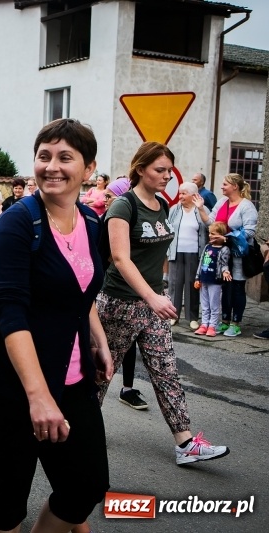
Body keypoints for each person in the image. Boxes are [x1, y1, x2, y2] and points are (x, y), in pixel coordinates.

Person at [0, 119, 112, 533]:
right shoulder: (17, 224)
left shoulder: (91, 223)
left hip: (73, 378)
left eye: (65, 157)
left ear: (88, 169)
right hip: (13, 384)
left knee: (86, 486)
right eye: (44, 156)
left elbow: (80, 290)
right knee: (10, 493)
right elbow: (10, 311)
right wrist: (38, 397)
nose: (52, 166)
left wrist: (99, 340)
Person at [97, 141, 230, 466]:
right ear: (141, 169)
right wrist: (151, 295)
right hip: (119, 303)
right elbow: (120, 258)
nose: (167, 176)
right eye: (160, 170)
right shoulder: (124, 206)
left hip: (153, 304)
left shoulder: (160, 205)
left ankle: (185, 443)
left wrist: (161, 291)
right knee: (101, 374)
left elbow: (159, 254)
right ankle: (74, 431)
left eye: (170, 170)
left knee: (166, 371)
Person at [101, 176, 147, 410]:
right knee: (104, 345)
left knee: (129, 343)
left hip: (136, 290)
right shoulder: (104, 219)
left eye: (109, 196)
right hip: (108, 289)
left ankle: (127, 389)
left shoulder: (131, 218)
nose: (104, 199)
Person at [210, 173, 258, 337]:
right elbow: (211, 221)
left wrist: (226, 238)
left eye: (225, 184)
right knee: (225, 286)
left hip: (238, 254)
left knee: (237, 286)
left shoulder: (246, 206)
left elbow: (250, 231)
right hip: (223, 252)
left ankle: (235, 323)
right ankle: (224, 321)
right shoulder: (222, 202)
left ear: (235, 186)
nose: (222, 187)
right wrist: (200, 208)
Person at [166, 182, 211, 330]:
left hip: (195, 253)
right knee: (174, 285)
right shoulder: (174, 209)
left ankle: (193, 317)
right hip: (176, 252)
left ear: (193, 195)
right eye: (180, 193)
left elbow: (210, 226)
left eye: (184, 193)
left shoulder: (202, 209)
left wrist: (201, 209)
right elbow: (167, 227)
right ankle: (173, 315)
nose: (180, 196)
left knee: (193, 285)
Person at [193, 222, 231, 336]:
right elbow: (201, 263)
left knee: (214, 305)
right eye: (209, 233)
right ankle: (204, 324)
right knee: (204, 304)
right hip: (204, 279)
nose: (210, 236)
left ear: (221, 235)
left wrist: (225, 271)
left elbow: (224, 263)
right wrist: (197, 277)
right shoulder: (207, 247)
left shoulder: (224, 249)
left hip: (215, 281)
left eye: (213, 234)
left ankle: (212, 326)